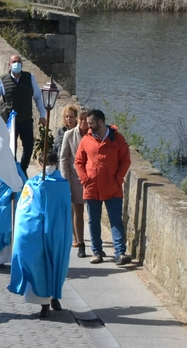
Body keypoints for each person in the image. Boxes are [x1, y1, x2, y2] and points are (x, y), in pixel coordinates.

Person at [8, 150, 72, 319]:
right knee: (40, 266)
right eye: (46, 165)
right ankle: (44, 303)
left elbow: (64, 210)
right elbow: (25, 209)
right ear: (40, 165)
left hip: (56, 231)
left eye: (51, 165)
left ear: (55, 165)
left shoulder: (62, 184)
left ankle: (55, 296)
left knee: (57, 262)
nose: (48, 168)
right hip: (36, 232)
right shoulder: (33, 184)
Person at [75, 109, 132, 265]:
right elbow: (78, 162)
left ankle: (120, 252)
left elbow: (125, 161)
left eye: (91, 123)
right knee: (94, 221)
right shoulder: (86, 140)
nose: (88, 125)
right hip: (92, 187)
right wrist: (85, 179)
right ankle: (96, 251)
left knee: (116, 221)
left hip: (112, 187)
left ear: (100, 122)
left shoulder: (117, 139)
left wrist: (118, 179)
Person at [0, 55, 47, 174]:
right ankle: (13, 171)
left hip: (26, 119)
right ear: (9, 65)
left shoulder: (29, 77)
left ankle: (23, 169)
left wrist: (42, 115)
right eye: (14, 62)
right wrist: (4, 108)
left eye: (19, 61)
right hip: (11, 121)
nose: (17, 64)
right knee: (12, 148)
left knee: (29, 146)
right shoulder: (2, 80)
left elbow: (37, 97)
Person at [60, 107, 89, 258]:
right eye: (81, 119)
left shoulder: (93, 135)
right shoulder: (69, 135)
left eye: (86, 119)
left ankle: (93, 243)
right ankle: (80, 241)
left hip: (90, 180)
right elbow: (64, 158)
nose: (83, 122)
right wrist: (66, 180)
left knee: (91, 212)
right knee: (78, 210)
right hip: (75, 179)